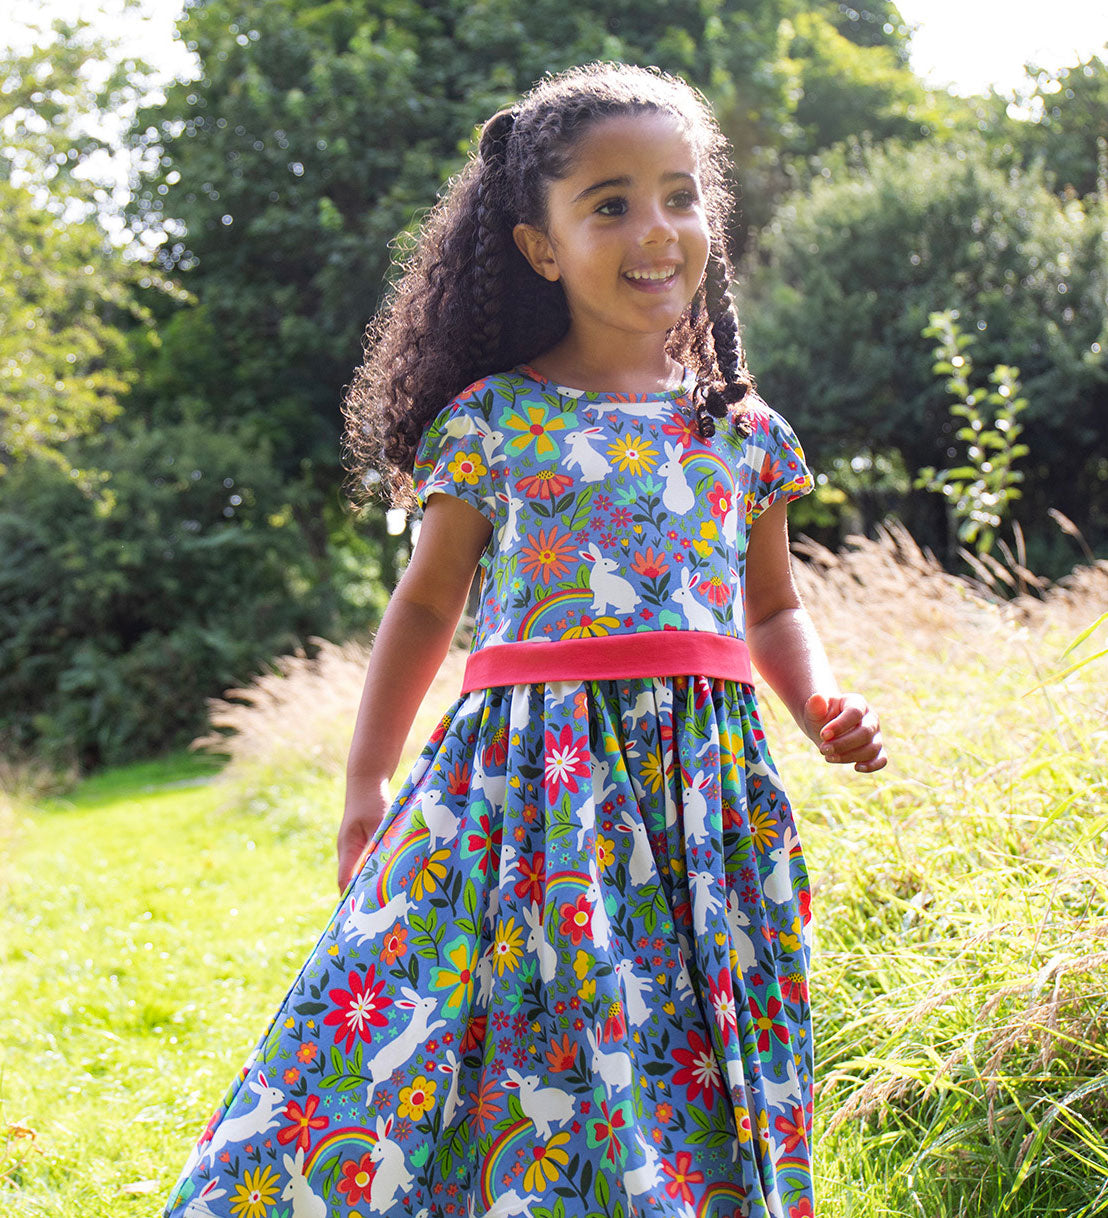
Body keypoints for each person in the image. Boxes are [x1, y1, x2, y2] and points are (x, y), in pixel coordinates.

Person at [165, 62, 885, 1218]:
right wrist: (365, 777)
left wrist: (820, 705)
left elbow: (772, 610)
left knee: (673, 1041)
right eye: (608, 204)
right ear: (539, 246)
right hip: (521, 788)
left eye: (678, 195)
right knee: (469, 1018)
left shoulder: (744, 430)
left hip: (698, 794)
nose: (654, 229)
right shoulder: (495, 420)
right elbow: (424, 604)